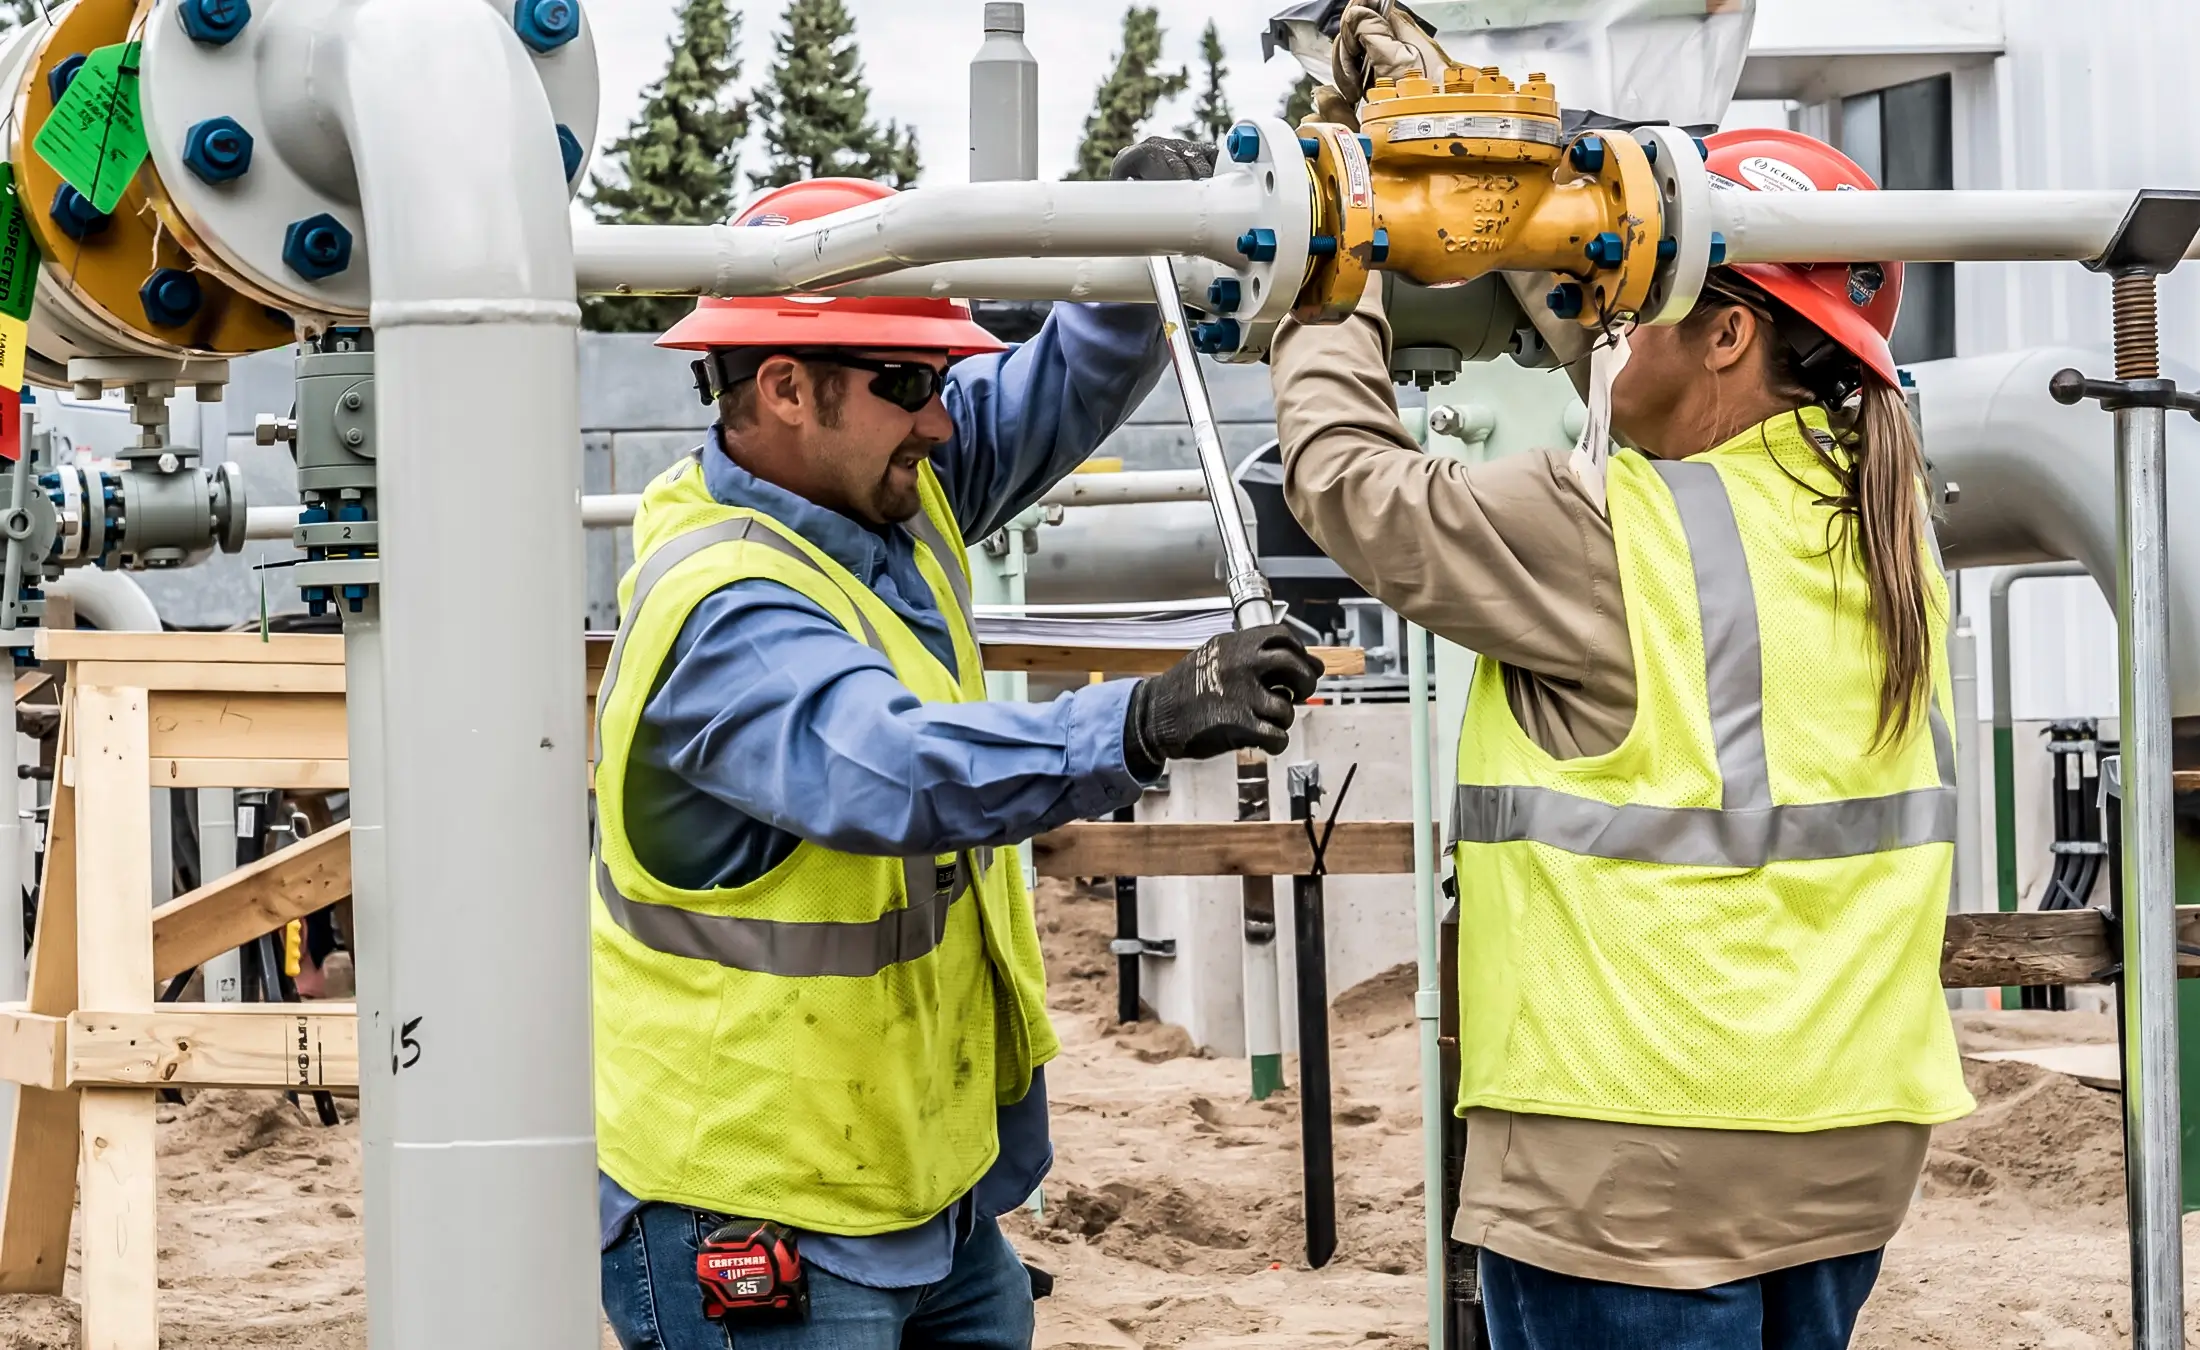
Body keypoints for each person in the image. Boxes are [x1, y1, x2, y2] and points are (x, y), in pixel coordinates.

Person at [592, 145, 1323, 1350]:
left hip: (921, 1189)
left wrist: (1125, 243)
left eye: (940, 378)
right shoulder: (727, 606)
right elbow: (898, 768)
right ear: (783, 387)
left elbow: (1064, 383)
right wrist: (1141, 719)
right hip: (758, 1207)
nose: (942, 418)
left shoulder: (880, 483)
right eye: (909, 381)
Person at [1271, 126, 1973, 1350]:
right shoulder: (1889, 518)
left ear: (1730, 332)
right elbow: (1654, 393)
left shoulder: (1600, 529)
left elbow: (1345, 478)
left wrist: (1334, 259)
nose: (1605, 334)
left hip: (1635, 1161)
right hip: (1848, 1150)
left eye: (1632, 304)